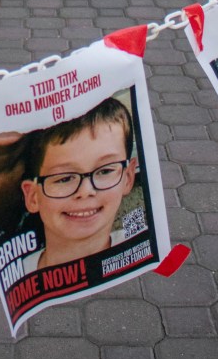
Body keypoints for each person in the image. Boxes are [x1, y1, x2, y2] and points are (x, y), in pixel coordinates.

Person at [19, 97, 138, 272]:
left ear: (127, 177)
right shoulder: (19, 273)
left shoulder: (136, 247)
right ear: (33, 197)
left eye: (105, 171)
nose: (86, 191)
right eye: (64, 178)